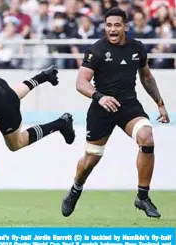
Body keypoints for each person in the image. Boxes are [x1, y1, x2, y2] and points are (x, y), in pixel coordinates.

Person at [61, 7, 170, 219]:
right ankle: (76, 189)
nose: (112, 29)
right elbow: (81, 82)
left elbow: (146, 77)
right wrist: (99, 97)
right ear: (105, 27)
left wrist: (160, 103)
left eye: (117, 25)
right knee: (91, 160)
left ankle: (142, 196)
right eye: (109, 25)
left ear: (125, 27)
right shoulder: (96, 50)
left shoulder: (137, 48)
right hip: (101, 108)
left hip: (128, 105)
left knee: (147, 138)